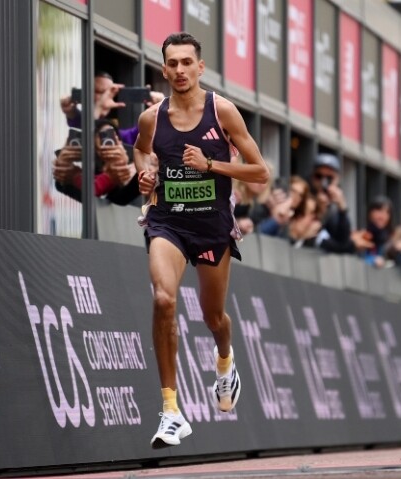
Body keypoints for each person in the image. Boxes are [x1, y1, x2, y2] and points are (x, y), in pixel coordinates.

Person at [133, 32, 269, 448]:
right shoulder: (152, 118)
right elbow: (140, 150)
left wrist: (210, 165)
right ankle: (171, 411)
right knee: (163, 299)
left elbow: (260, 173)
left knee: (214, 318)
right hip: (168, 223)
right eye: (172, 63)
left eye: (187, 62)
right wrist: (146, 174)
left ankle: (225, 361)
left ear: (200, 67)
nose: (180, 70)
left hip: (212, 227)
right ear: (164, 69)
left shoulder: (221, 111)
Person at [307, 153, 357, 254]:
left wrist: (342, 208)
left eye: (329, 178)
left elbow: (343, 241)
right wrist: (318, 208)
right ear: (312, 177)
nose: (323, 182)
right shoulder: (305, 196)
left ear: (337, 179)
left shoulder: (335, 206)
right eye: (319, 176)